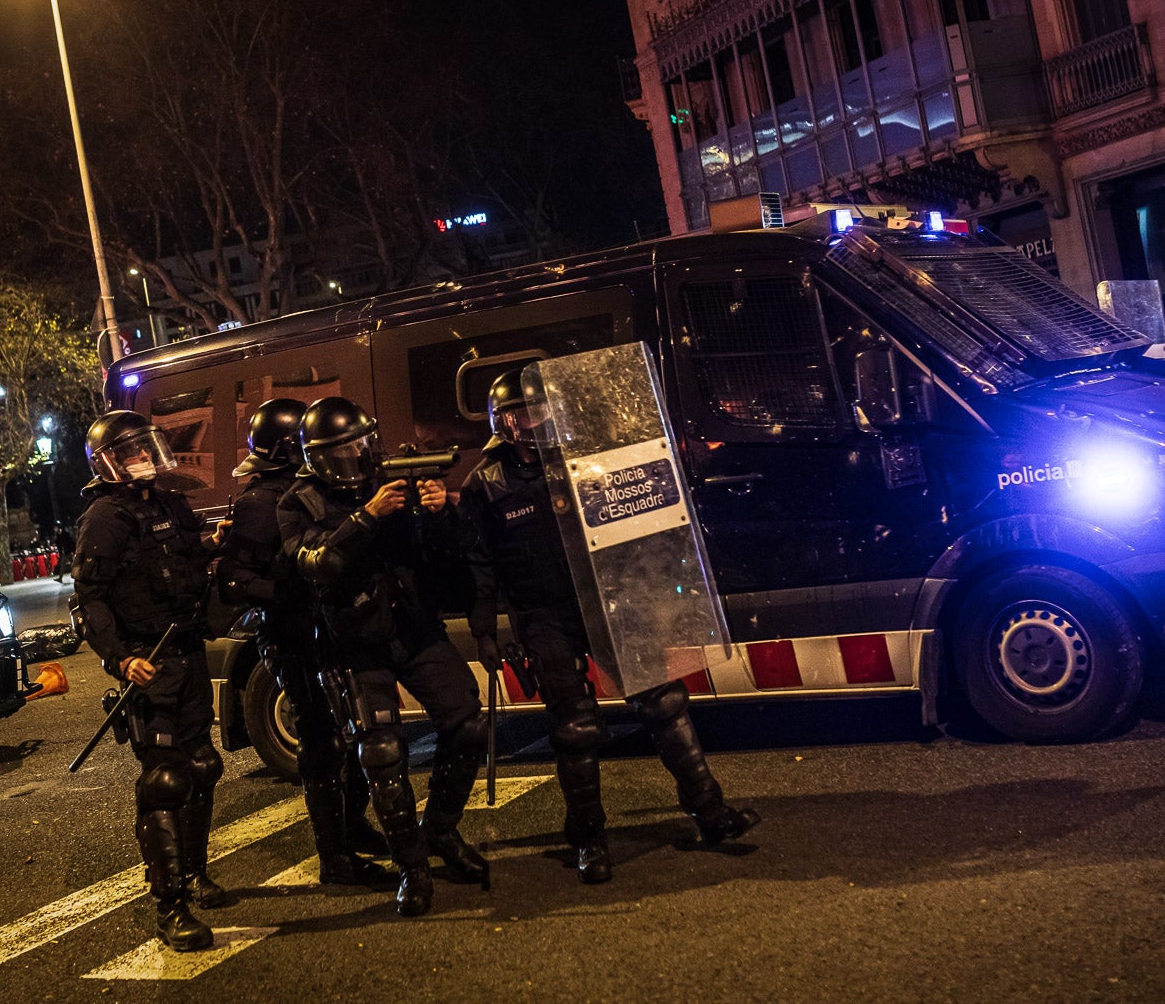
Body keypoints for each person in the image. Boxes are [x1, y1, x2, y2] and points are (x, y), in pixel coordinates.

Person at [460, 370, 758, 885]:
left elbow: (637, 518)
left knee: (663, 703)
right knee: (575, 730)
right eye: (521, 414)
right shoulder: (485, 484)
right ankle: (588, 839)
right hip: (545, 616)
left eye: (538, 411)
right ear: (502, 422)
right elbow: (479, 564)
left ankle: (710, 812)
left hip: (610, 602)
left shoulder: (586, 463)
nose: (532, 422)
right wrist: (485, 631)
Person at [278, 397, 488, 918]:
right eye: (349, 449)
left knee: (464, 720)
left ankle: (439, 830)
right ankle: (411, 867)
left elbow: (458, 545)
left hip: (415, 627)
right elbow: (318, 563)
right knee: (382, 753)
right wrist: (367, 517)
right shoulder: (298, 502)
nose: (362, 455)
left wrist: (441, 511)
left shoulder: (395, 478)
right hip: (355, 641)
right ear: (322, 457)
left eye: (365, 443)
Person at [69, 410, 231, 952]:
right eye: (132, 450)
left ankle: (195, 874)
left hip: (186, 655)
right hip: (149, 662)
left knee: (203, 766)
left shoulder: (166, 502)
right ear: (109, 462)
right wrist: (119, 660)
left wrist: (216, 541)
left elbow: (188, 554)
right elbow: (89, 600)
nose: (143, 457)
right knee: (165, 782)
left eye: (146, 447)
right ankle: (170, 907)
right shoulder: (104, 518)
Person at [215, 398, 389, 886]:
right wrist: (290, 588)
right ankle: (333, 855)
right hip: (291, 633)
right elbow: (233, 580)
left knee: (355, 731)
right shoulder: (259, 502)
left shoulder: (315, 490)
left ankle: (353, 828)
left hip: (332, 627)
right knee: (320, 740)